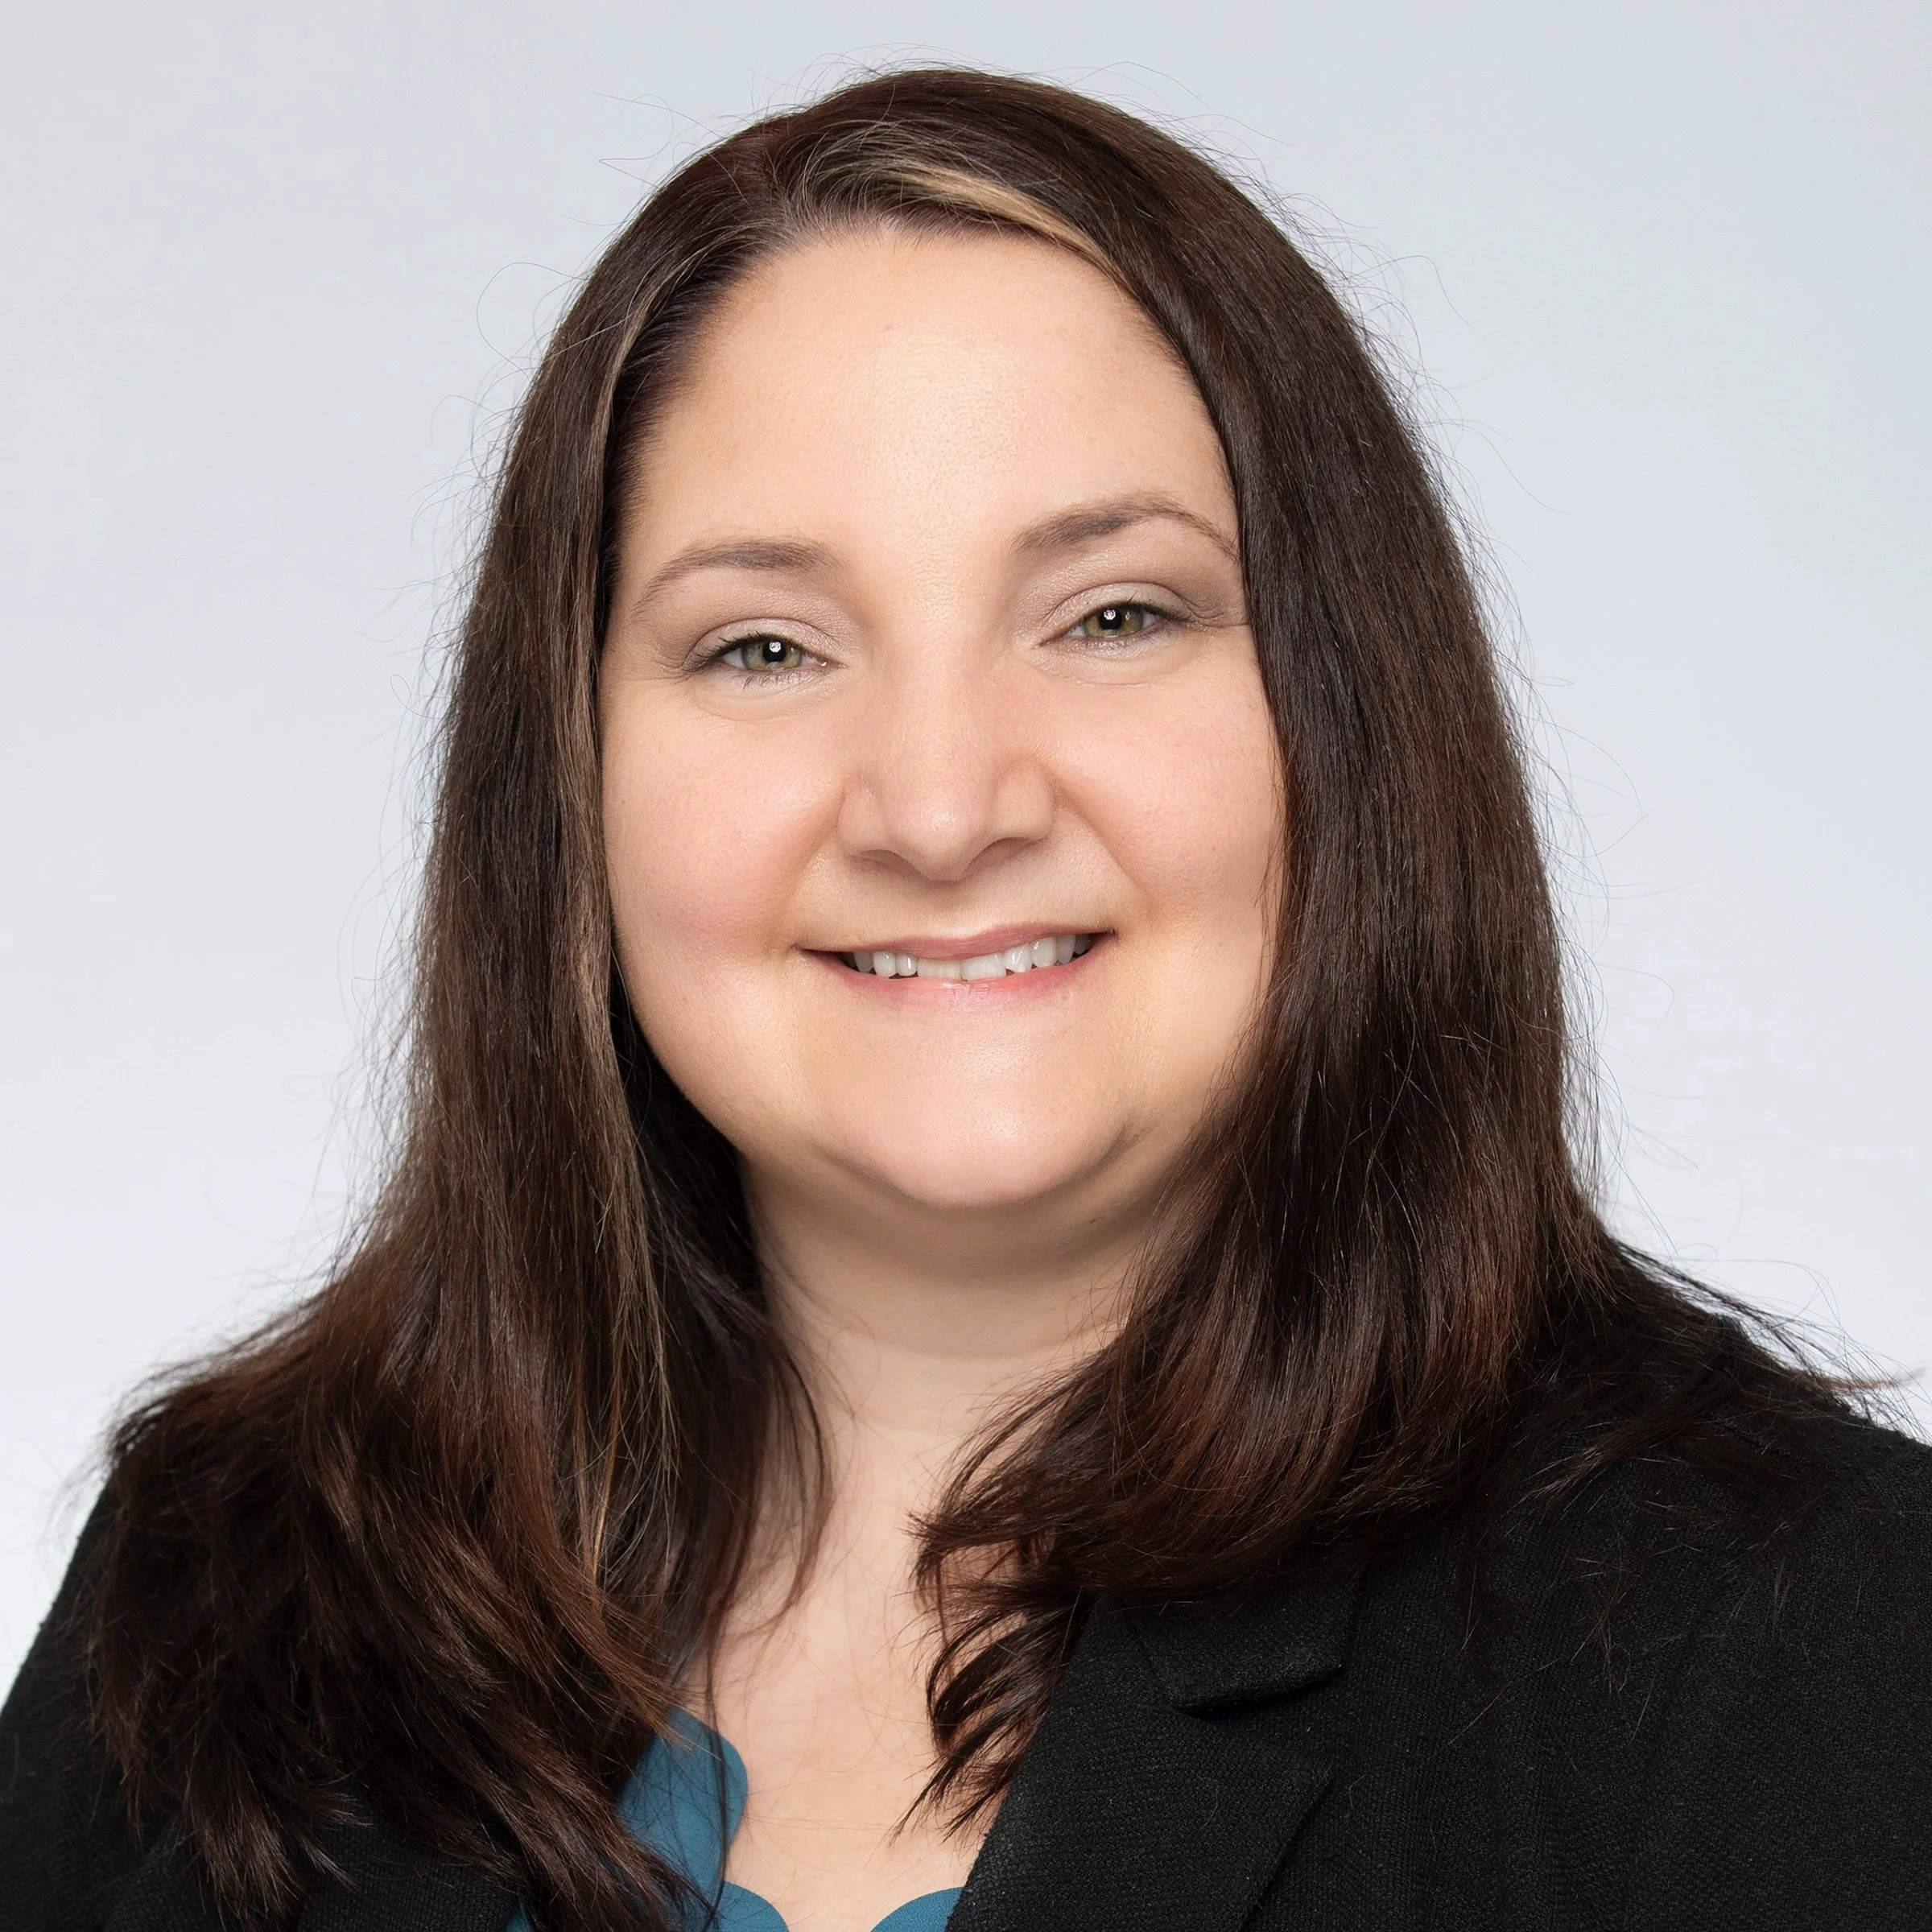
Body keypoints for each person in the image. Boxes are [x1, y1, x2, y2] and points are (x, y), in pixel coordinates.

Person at [2, 67, 1927, 1932]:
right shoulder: (228, 1574)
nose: (940, 807)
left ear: (1350, 715)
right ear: (569, 781)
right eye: (765, 644)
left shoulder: (1803, 1645)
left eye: (1114, 615)